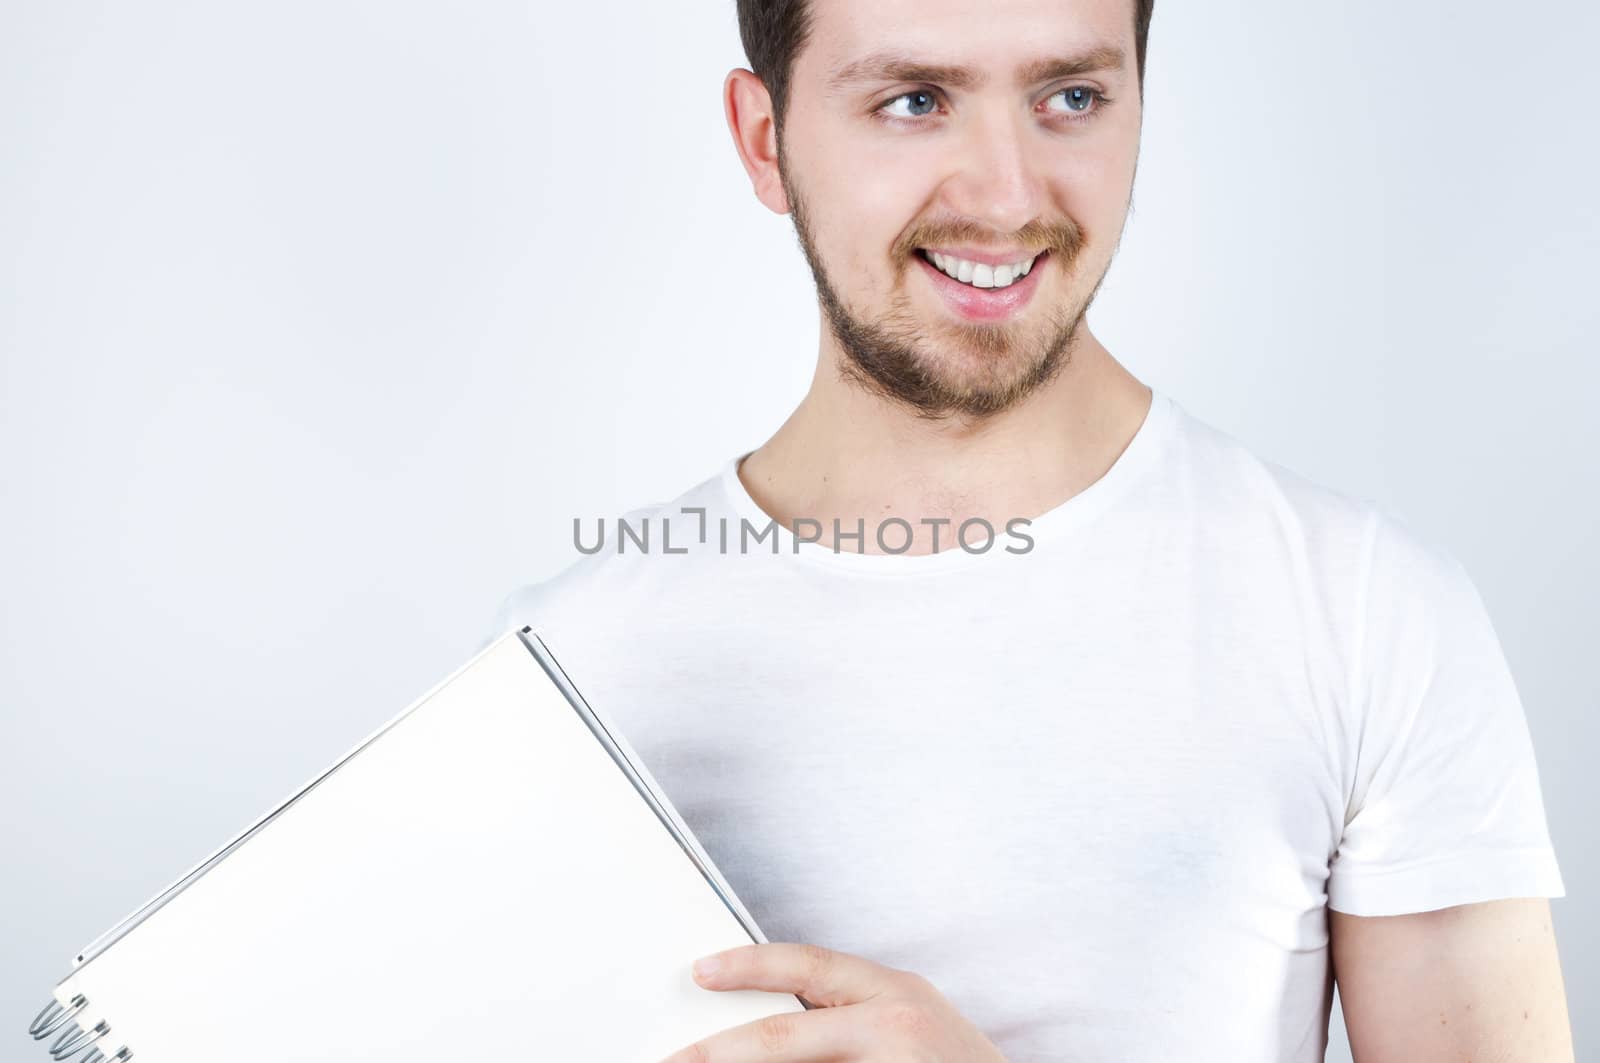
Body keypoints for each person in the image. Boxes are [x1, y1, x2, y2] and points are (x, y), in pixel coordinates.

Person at [485, 0, 1573, 1058]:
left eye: (1070, 95)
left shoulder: (1365, 611)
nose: (1005, 197)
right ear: (765, 141)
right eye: (914, 101)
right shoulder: (568, 669)